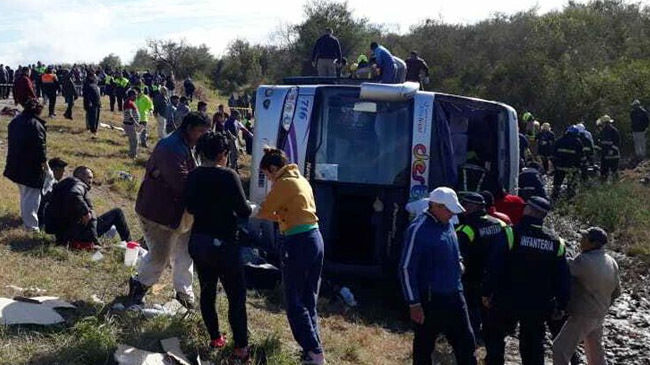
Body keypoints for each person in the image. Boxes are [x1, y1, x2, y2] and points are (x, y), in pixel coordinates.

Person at [126, 112, 211, 309]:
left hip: (179, 212)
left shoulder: (188, 145)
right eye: (200, 131)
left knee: (184, 253)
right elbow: (181, 183)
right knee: (160, 256)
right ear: (189, 129)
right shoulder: (171, 147)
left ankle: (183, 291)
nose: (203, 136)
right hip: (159, 212)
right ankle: (139, 284)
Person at [256, 148, 326, 365]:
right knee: (308, 298)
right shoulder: (300, 179)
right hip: (314, 238)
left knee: (294, 300)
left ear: (274, 169)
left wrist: (255, 211)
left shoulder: (283, 183)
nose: (268, 180)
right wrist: (281, 214)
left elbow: (264, 210)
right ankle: (315, 349)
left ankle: (313, 351)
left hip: (297, 243)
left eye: (267, 175)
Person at [185, 132, 251, 361]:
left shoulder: (193, 176)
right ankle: (241, 347)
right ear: (223, 154)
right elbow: (244, 210)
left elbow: (190, 208)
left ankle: (215, 337)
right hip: (225, 244)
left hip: (200, 241)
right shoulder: (229, 176)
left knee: (207, 291)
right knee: (236, 296)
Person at [483, 196, 570, 365]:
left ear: (528, 210)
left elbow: (495, 265)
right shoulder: (556, 242)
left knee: (495, 337)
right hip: (538, 303)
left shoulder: (510, 233)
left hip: (507, 298)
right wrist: (561, 304)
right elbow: (562, 276)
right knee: (534, 345)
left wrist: (486, 291)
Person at [399, 187, 477, 365]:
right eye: (449, 210)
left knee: (466, 343)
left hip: (455, 293)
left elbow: (454, 249)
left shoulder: (448, 223)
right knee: (424, 348)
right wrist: (414, 303)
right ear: (436, 206)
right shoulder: (418, 229)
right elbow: (405, 268)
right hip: (431, 299)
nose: (452, 214)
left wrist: (459, 263)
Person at [552, 227, 621, 365]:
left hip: (583, 315)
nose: (581, 240)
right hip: (600, 314)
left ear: (593, 243)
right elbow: (617, 292)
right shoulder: (611, 261)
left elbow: (564, 268)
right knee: (596, 354)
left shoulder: (584, 260)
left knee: (560, 349)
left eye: (584, 238)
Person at [456, 193, 513, 342]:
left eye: (465, 205)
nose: (462, 208)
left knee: (472, 312)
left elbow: (458, 255)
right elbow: (511, 247)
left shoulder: (466, 228)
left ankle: (471, 342)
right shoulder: (501, 224)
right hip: (498, 278)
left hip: (473, 278)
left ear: (472, 207)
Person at [44, 166, 132, 247]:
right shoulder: (78, 184)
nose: (91, 181)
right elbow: (75, 194)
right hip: (77, 234)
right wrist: (86, 212)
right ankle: (130, 244)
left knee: (111, 229)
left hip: (63, 234)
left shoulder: (64, 186)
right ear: (80, 176)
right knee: (117, 213)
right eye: (89, 177)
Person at [3, 98, 47, 231]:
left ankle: (26, 219)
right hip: (30, 167)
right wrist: (44, 165)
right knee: (32, 198)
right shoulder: (35, 125)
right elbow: (40, 149)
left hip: (15, 163)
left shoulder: (16, 121)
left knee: (24, 194)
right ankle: (31, 227)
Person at [552, 126, 583, 200]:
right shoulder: (578, 142)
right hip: (571, 168)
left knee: (557, 183)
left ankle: (554, 197)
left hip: (559, 166)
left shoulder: (559, 140)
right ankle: (570, 198)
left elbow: (553, 153)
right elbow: (580, 156)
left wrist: (555, 164)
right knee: (571, 184)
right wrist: (578, 166)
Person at [597, 115, 621, 182]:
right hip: (609, 155)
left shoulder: (610, 131)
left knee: (608, 173)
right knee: (609, 172)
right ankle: (613, 186)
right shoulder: (613, 131)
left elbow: (616, 143)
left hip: (610, 156)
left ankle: (610, 186)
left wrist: (610, 150)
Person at [122, 90, 140, 159]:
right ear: (131, 95)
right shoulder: (128, 102)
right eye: (135, 95)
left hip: (130, 124)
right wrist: (136, 123)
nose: (136, 96)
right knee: (134, 140)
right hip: (130, 124)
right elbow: (129, 114)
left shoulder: (130, 102)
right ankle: (132, 155)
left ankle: (132, 154)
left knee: (133, 140)